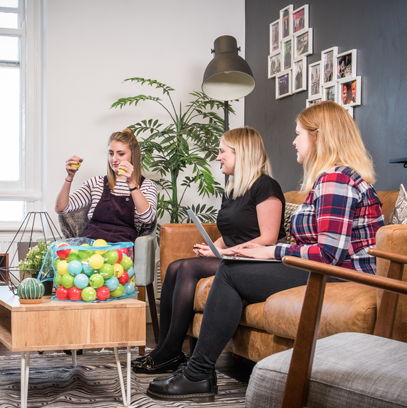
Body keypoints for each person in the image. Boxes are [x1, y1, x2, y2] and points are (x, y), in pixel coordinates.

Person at [146, 101, 384, 403]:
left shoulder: (337, 179)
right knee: (233, 269)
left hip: (343, 277)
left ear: (319, 136)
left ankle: (198, 374)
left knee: (231, 274)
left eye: (298, 134)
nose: (293, 141)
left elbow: (328, 255)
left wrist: (271, 252)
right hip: (328, 271)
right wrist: (264, 252)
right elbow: (316, 247)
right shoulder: (329, 179)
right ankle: (197, 371)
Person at [132, 127, 286, 375]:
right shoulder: (233, 189)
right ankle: (164, 349)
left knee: (189, 268)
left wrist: (224, 254)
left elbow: (268, 238)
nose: (217, 157)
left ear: (242, 153)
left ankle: (170, 352)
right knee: (174, 267)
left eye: (222, 151)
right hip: (234, 256)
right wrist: (215, 247)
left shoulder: (266, 187)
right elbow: (230, 232)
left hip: (258, 261)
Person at [55, 128, 157, 244]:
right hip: (89, 245)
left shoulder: (147, 186)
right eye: (111, 153)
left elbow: (148, 219)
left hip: (120, 250)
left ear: (133, 156)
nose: (114, 159)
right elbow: (61, 208)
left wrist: (132, 184)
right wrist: (69, 177)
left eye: (121, 154)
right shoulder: (96, 183)